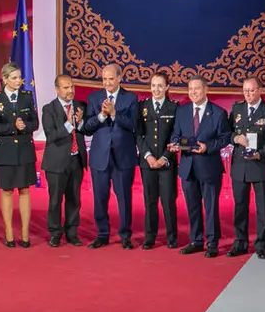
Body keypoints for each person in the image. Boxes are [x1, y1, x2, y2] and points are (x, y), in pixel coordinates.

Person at [169, 77, 231, 257]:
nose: (193, 92)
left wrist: (207, 147)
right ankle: (196, 240)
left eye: (196, 89)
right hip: (188, 167)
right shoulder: (182, 111)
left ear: (205, 89)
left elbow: (225, 138)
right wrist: (176, 144)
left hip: (209, 167)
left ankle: (212, 242)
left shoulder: (218, 113)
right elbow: (176, 134)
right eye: (190, 89)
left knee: (211, 207)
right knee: (192, 206)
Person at [83, 64, 139, 250]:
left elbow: (133, 125)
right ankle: (102, 234)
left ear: (119, 78)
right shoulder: (94, 98)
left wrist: (114, 114)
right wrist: (101, 116)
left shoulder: (130, 98)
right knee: (100, 197)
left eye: (111, 79)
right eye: (104, 79)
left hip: (123, 156)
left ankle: (125, 235)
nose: (107, 82)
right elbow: (87, 127)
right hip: (100, 156)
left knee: (124, 197)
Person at [228, 78, 265, 259]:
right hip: (240, 165)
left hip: (260, 165)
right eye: (245, 91)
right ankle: (240, 242)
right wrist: (235, 138)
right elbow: (227, 132)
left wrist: (260, 153)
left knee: (262, 208)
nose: (248, 94)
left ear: (260, 90)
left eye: (251, 90)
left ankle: (261, 245)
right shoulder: (237, 109)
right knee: (240, 206)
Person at [0, 63, 39, 248]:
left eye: (19, 77)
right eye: (14, 78)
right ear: (5, 79)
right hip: (6, 151)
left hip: (25, 149)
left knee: (24, 189)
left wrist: (25, 126)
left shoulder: (27, 97)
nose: (18, 81)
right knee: (7, 190)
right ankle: (9, 232)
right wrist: (12, 127)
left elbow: (35, 123)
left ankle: (25, 233)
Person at [41, 74, 87, 247]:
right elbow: (51, 135)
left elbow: (86, 130)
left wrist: (80, 123)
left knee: (74, 198)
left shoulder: (80, 106)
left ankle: (72, 232)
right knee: (55, 200)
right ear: (57, 89)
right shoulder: (49, 109)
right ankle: (55, 233)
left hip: (76, 160)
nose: (70, 91)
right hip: (56, 163)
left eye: (71, 87)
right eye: (66, 87)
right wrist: (68, 124)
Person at [135, 72, 178, 250]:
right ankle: (149, 237)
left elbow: (176, 135)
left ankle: (172, 237)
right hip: (148, 162)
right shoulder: (142, 106)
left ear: (167, 87)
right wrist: (148, 156)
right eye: (153, 85)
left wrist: (164, 157)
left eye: (160, 86)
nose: (156, 89)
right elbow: (138, 134)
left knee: (168, 201)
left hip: (166, 163)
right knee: (150, 201)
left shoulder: (174, 107)